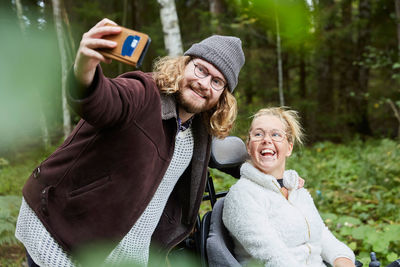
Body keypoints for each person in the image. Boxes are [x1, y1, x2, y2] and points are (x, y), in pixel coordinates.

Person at [15, 18, 245, 267]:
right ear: (184, 64)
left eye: (217, 81)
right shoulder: (144, 93)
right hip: (65, 231)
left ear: (223, 95)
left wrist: (276, 177)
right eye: (201, 69)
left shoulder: (199, 130)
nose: (204, 83)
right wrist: (84, 68)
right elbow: (100, 100)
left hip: (126, 252)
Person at [222, 107, 356, 267]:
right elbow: (274, 257)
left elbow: (321, 236)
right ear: (249, 146)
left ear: (289, 148)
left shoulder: (298, 191)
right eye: (258, 134)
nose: (266, 140)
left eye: (276, 135)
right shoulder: (242, 195)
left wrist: (343, 259)